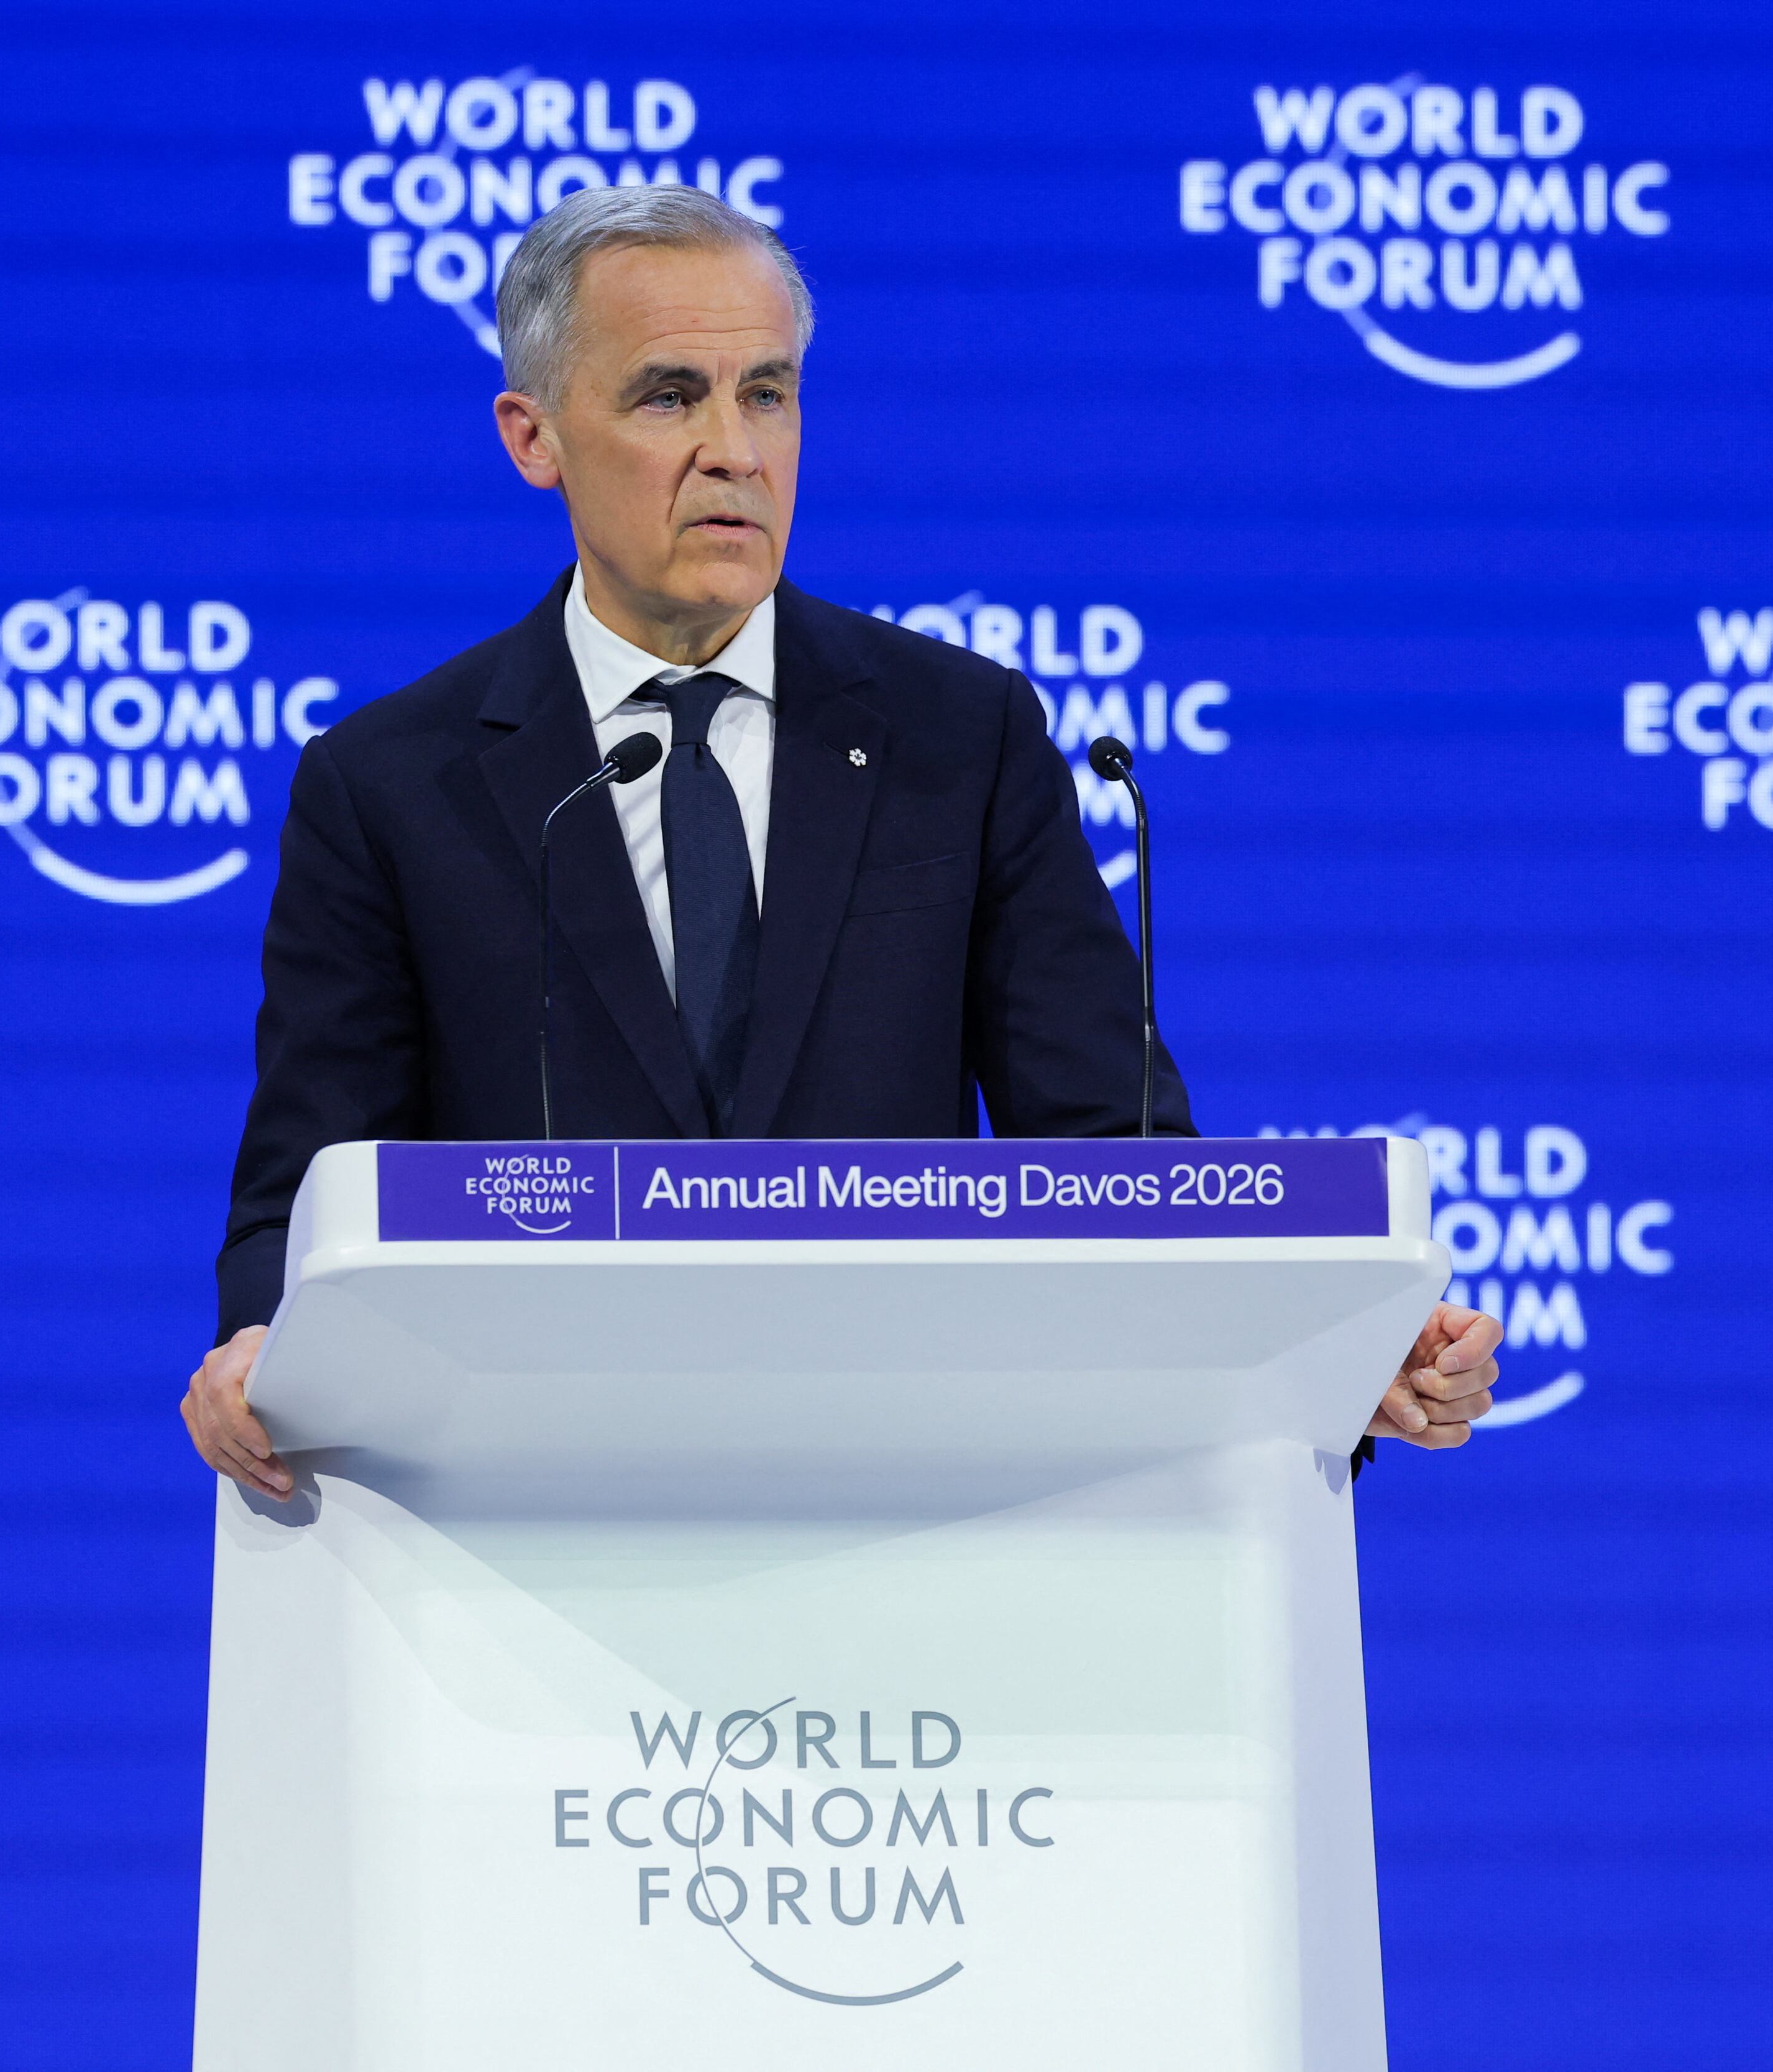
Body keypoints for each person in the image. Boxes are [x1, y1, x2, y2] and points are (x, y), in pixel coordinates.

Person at [178, 184, 1500, 1494]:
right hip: (533, 1511)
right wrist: (257, 1354)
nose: (734, 449)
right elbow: (307, 1196)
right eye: (667, 395)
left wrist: (1327, 1372)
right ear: (534, 436)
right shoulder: (392, 783)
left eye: (767, 392)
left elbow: (1114, 1160)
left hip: (901, 1505)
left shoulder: (957, 737)